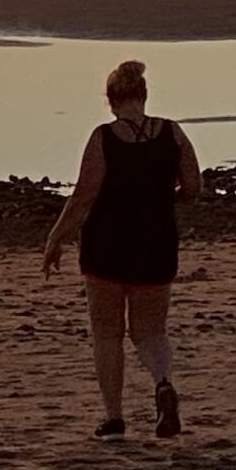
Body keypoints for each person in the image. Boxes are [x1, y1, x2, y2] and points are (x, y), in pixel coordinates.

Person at [41, 58, 202, 440]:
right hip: (156, 242)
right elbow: (194, 186)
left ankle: (114, 418)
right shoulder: (172, 133)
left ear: (112, 100)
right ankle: (162, 383)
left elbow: (83, 197)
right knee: (150, 331)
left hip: (107, 246)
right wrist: (162, 199)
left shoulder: (104, 138)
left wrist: (55, 237)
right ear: (143, 96)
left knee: (106, 331)